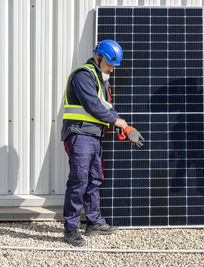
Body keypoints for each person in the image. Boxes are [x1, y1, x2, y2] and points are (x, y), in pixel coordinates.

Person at [61, 39, 144, 246]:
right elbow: (92, 105)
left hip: (94, 136)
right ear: (98, 58)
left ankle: (94, 223)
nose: (112, 70)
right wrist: (117, 121)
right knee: (79, 180)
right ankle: (71, 229)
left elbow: (106, 107)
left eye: (114, 66)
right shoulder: (83, 75)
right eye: (109, 64)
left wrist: (125, 126)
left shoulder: (101, 79)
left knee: (94, 179)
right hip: (79, 134)